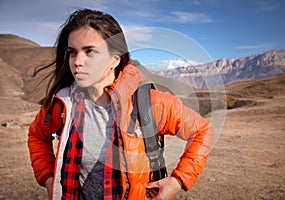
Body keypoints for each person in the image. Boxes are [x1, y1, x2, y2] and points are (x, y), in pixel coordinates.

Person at [28, 8, 214, 200]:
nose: (77, 61)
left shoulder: (149, 102)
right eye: (72, 52)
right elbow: (37, 134)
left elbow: (202, 131)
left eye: (90, 51)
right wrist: (48, 177)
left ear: (115, 59)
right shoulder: (63, 104)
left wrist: (178, 180)